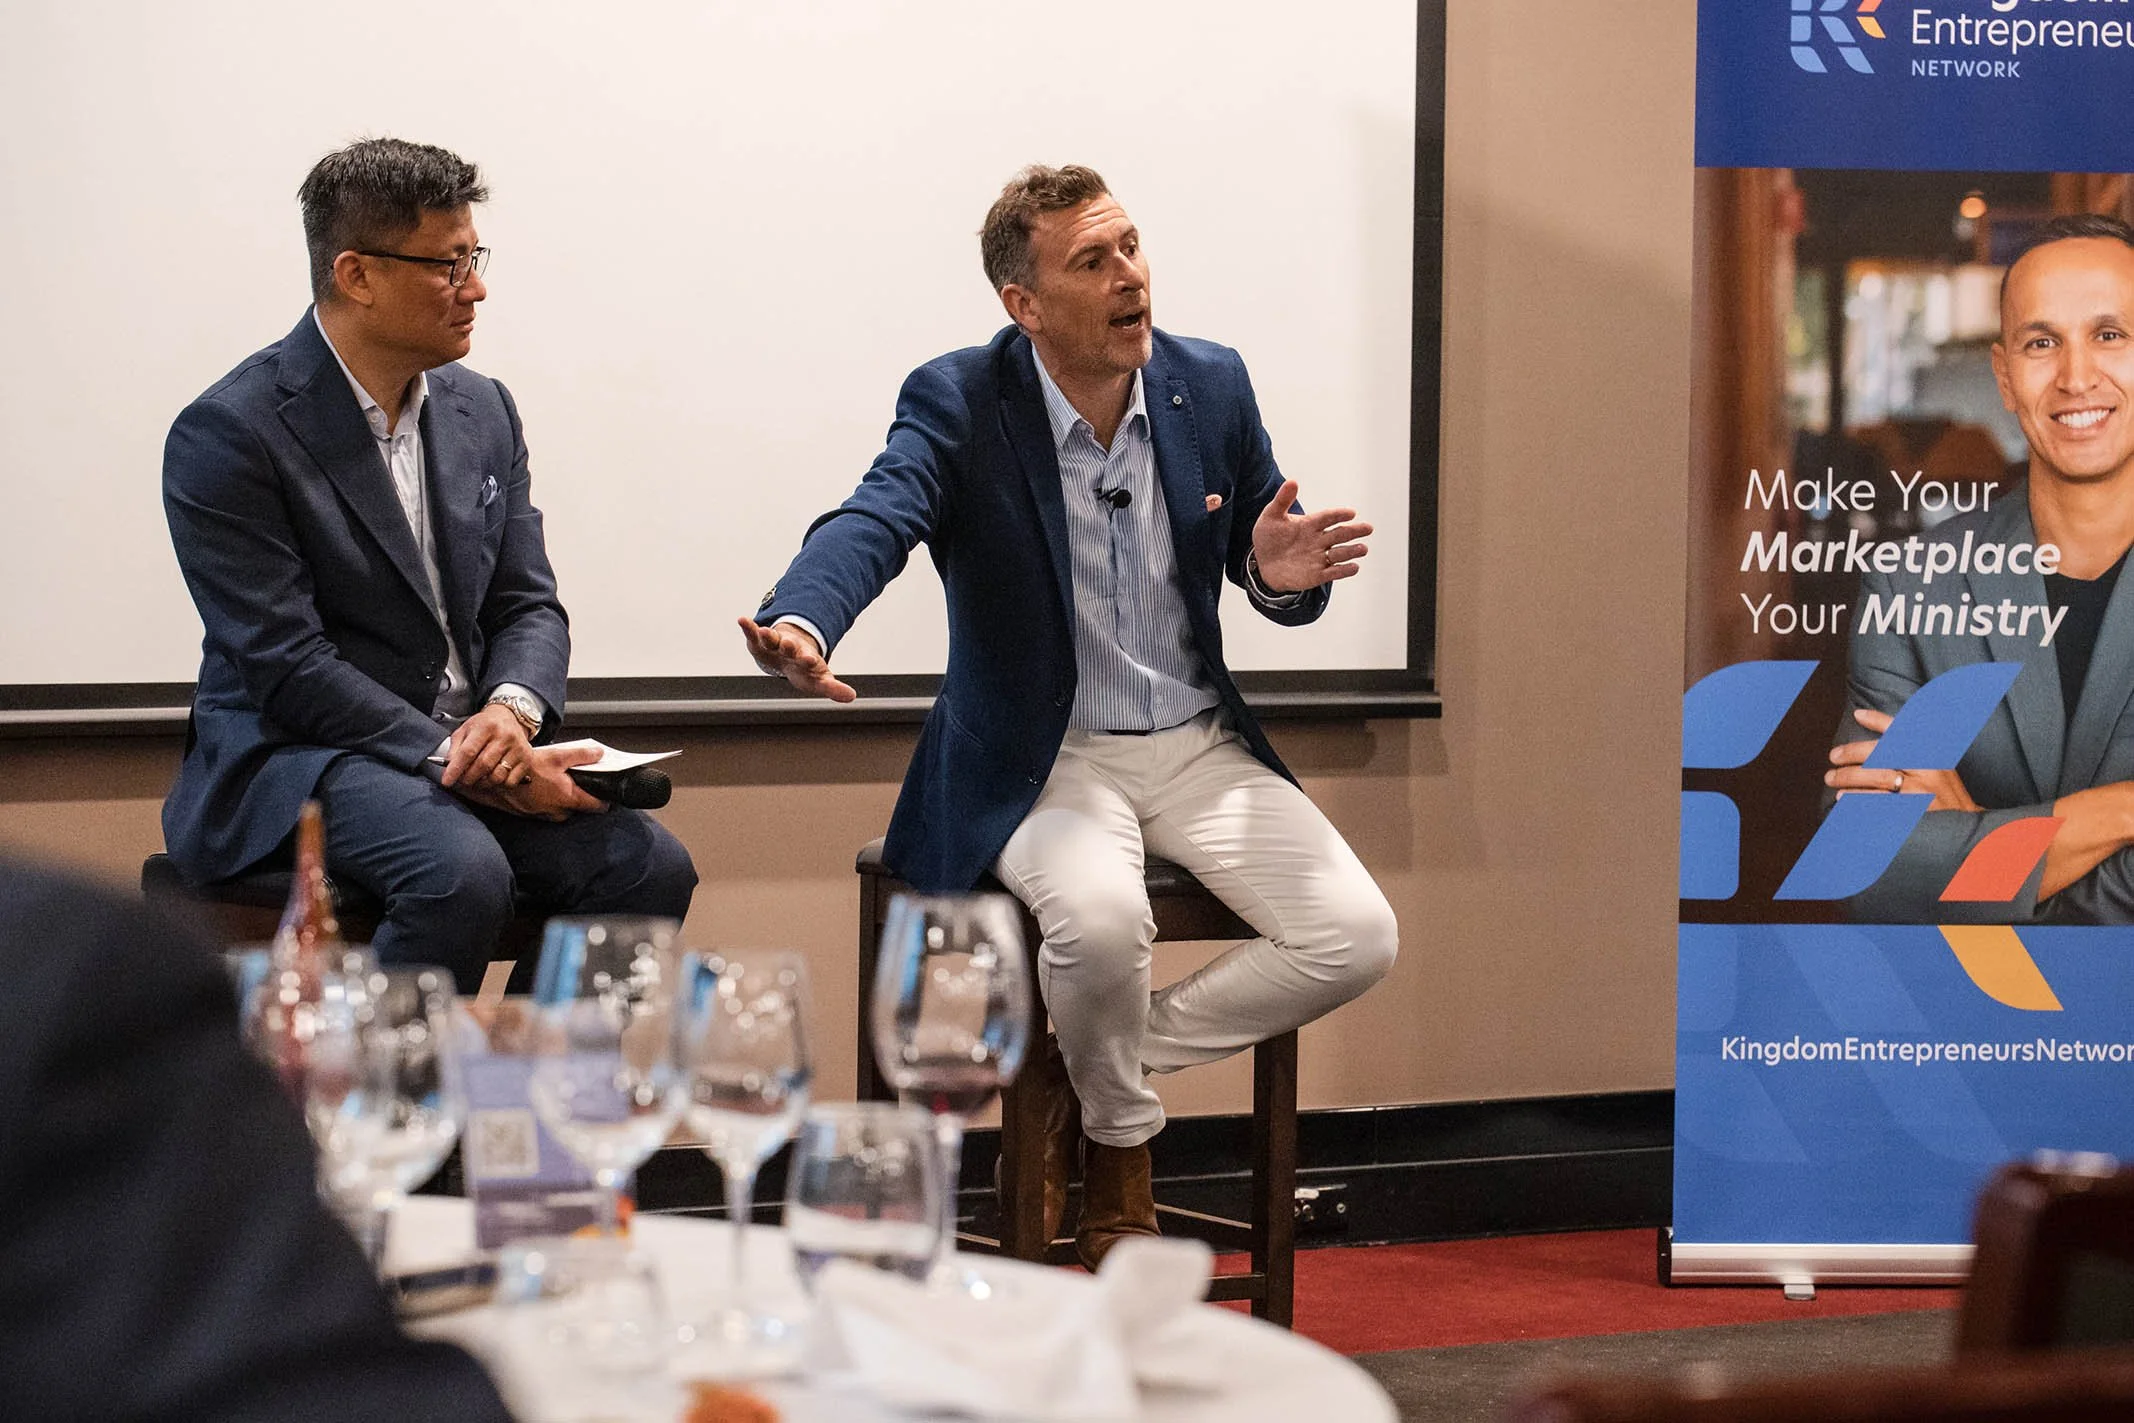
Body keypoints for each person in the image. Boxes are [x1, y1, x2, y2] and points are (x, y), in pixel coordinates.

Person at [742, 165, 1398, 1266]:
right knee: (1096, 927)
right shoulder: (960, 399)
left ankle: (1076, 1070)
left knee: (1356, 936)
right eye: (1091, 262)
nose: (1128, 276)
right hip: (1048, 755)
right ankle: (1121, 1150)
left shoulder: (1210, 383)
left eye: (1131, 247)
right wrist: (804, 619)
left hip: (1196, 742)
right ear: (1025, 305)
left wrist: (1275, 573)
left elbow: (1270, 566)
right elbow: (876, 515)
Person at [161, 139, 696, 988]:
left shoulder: (482, 407)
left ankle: (522, 1104)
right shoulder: (232, 432)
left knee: (650, 868)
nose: (476, 287)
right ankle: (393, 1111)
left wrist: (512, 718)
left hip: (467, 746)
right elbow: (286, 665)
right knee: (459, 870)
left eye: (474, 258)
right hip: (299, 756)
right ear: (357, 274)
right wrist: (456, 755)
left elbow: (528, 605)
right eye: (450, 266)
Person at [0, 851, 515, 1420]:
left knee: (627, 862)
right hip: (313, 773)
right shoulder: (67, 966)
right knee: (459, 875)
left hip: (500, 785)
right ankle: (400, 1072)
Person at [1831, 213, 2134, 923]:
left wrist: (1973, 847)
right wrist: (2122, 809)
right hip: (1960, 1027)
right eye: (2041, 342)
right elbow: (1863, 863)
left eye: (2110, 334)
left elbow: (1919, 871)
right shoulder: (1910, 582)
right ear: (2004, 375)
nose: (2077, 376)